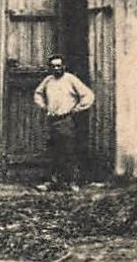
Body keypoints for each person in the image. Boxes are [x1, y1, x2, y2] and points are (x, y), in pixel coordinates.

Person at [33, 54, 95, 189]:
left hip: (66, 120)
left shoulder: (70, 79)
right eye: (53, 66)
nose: (56, 68)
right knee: (53, 152)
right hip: (51, 120)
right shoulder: (48, 80)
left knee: (68, 151)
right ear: (50, 68)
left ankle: (72, 182)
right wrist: (44, 106)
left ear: (64, 66)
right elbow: (38, 93)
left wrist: (76, 109)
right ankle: (52, 182)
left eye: (59, 66)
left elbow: (88, 95)